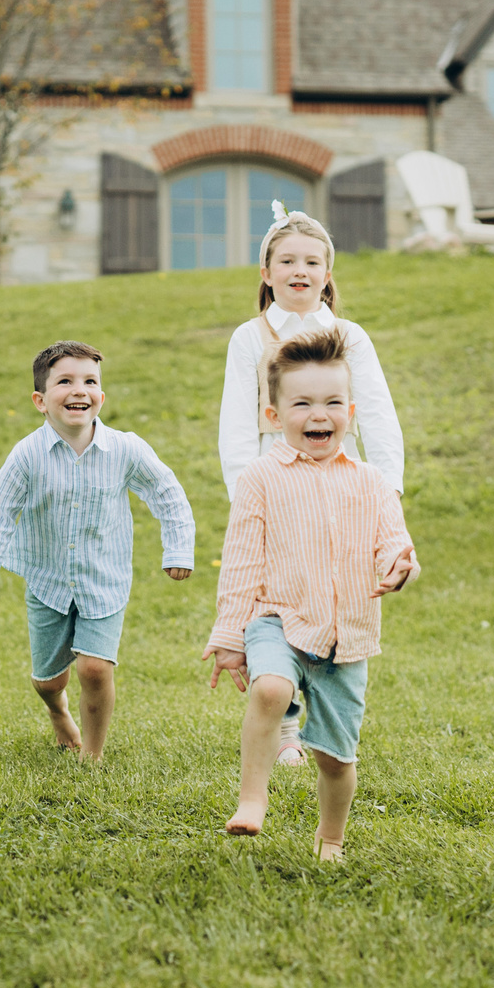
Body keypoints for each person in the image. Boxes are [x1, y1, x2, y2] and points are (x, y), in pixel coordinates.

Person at [205, 327, 419, 862]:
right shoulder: (260, 479)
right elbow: (241, 563)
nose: (317, 414)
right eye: (301, 403)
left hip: (347, 635)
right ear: (274, 417)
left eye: (330, 403)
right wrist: (232, 636)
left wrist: (401, 569)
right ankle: (252, 798)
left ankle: (331, 839)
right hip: (278, 616)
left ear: (349, 410)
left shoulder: (372, 483)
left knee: (335, 759)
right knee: (272, 689)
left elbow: (396, 546)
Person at [215, 204, 407, 766]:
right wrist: (246, 495)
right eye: (287, 260)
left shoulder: (350, 337)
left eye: (312, 261)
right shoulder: (250, 338)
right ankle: (285, 726)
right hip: (274, 490)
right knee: (274, 602)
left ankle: (328, 710)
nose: (299, 270)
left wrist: (387, 492)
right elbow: (234, 424)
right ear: (266, 272)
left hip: (341, 495)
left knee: (330, 592)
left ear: (328, 274)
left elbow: (375, 415)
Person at [0, 341, 196, 762]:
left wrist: (178, 549)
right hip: (47, 581)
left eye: (90, 381)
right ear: (40, 400)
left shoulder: (125, 449)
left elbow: (167, 492)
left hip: (104, 580)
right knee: (49, 680)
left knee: (94, 668)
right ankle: (57, 711)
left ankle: (93, 755)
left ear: (101, 396)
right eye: (64, 381)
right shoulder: (26, 456)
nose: (79, 390)